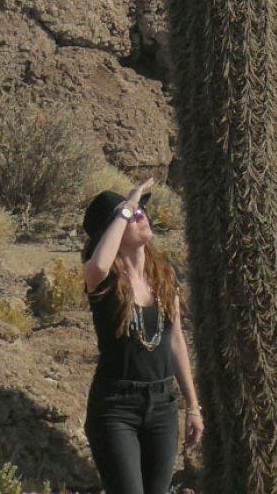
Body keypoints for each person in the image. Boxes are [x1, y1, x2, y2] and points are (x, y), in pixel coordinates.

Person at [80, 178, 203, 494]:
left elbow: (175, 340)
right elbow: (97, 264)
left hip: (162, 404)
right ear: (114, 230)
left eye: (140, 211)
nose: (141, 216)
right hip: (116, 407)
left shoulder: (164, 272)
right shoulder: (103, 281)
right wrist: (124, 212)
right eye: (132, 215)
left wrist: (192, 405)